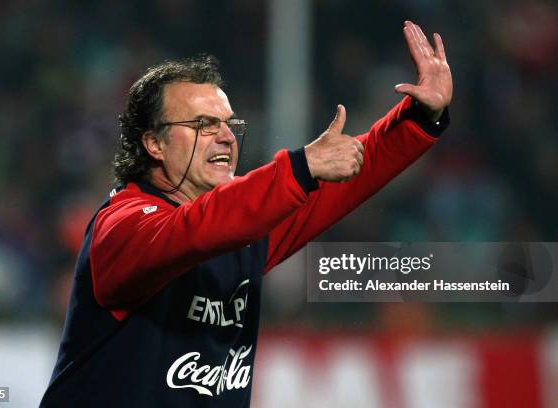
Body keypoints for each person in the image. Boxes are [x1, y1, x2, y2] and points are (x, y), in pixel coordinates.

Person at [41, 20, 452, 407]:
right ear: (155, 143)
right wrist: (301, 166)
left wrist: (419, 117)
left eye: (228, 123)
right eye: (202, 124)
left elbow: (349, 180)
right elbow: (193, 230)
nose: (224, 135)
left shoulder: (244, 224)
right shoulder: (123, 226)